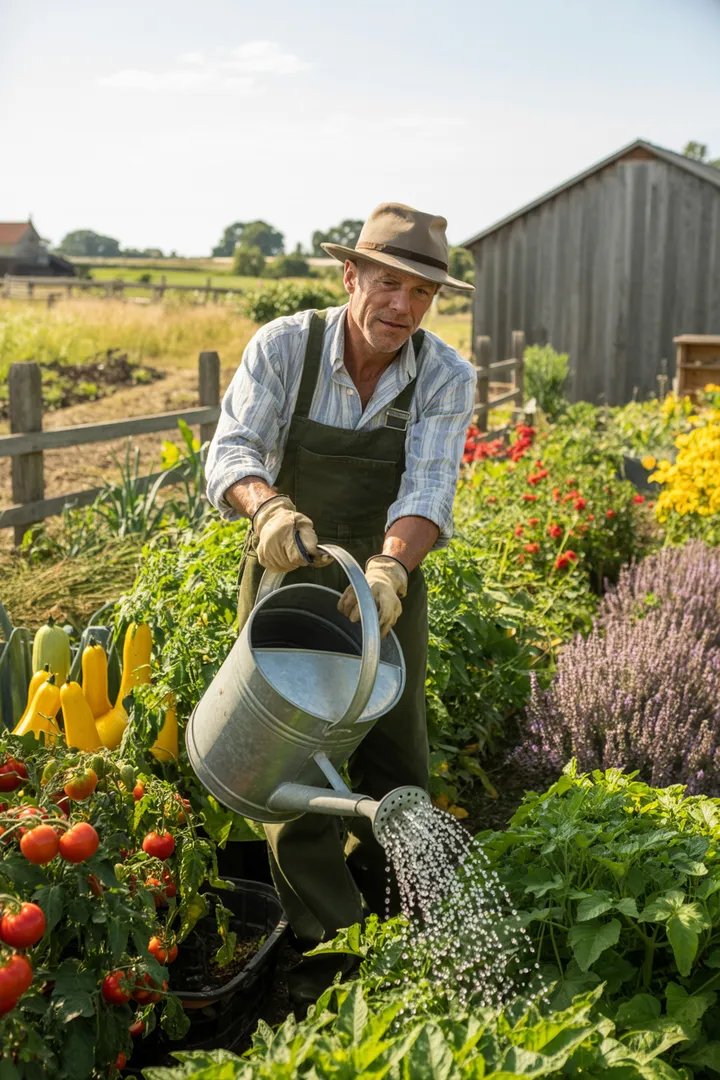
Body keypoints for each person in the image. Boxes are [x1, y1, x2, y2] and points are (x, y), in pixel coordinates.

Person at [205, 202, 476, 1009]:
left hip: (388, 582)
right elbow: (233, 449)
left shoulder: (444, 373)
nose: (402, 306)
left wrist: (392, 573)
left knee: (396, 753)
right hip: (291, 565)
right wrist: (267, 508)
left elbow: (428, 485)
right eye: (388, 283)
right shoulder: (286, 345)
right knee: (285, 763)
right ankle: (331, 957)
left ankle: (403, 919)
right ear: (350, 274)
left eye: (422, 293)